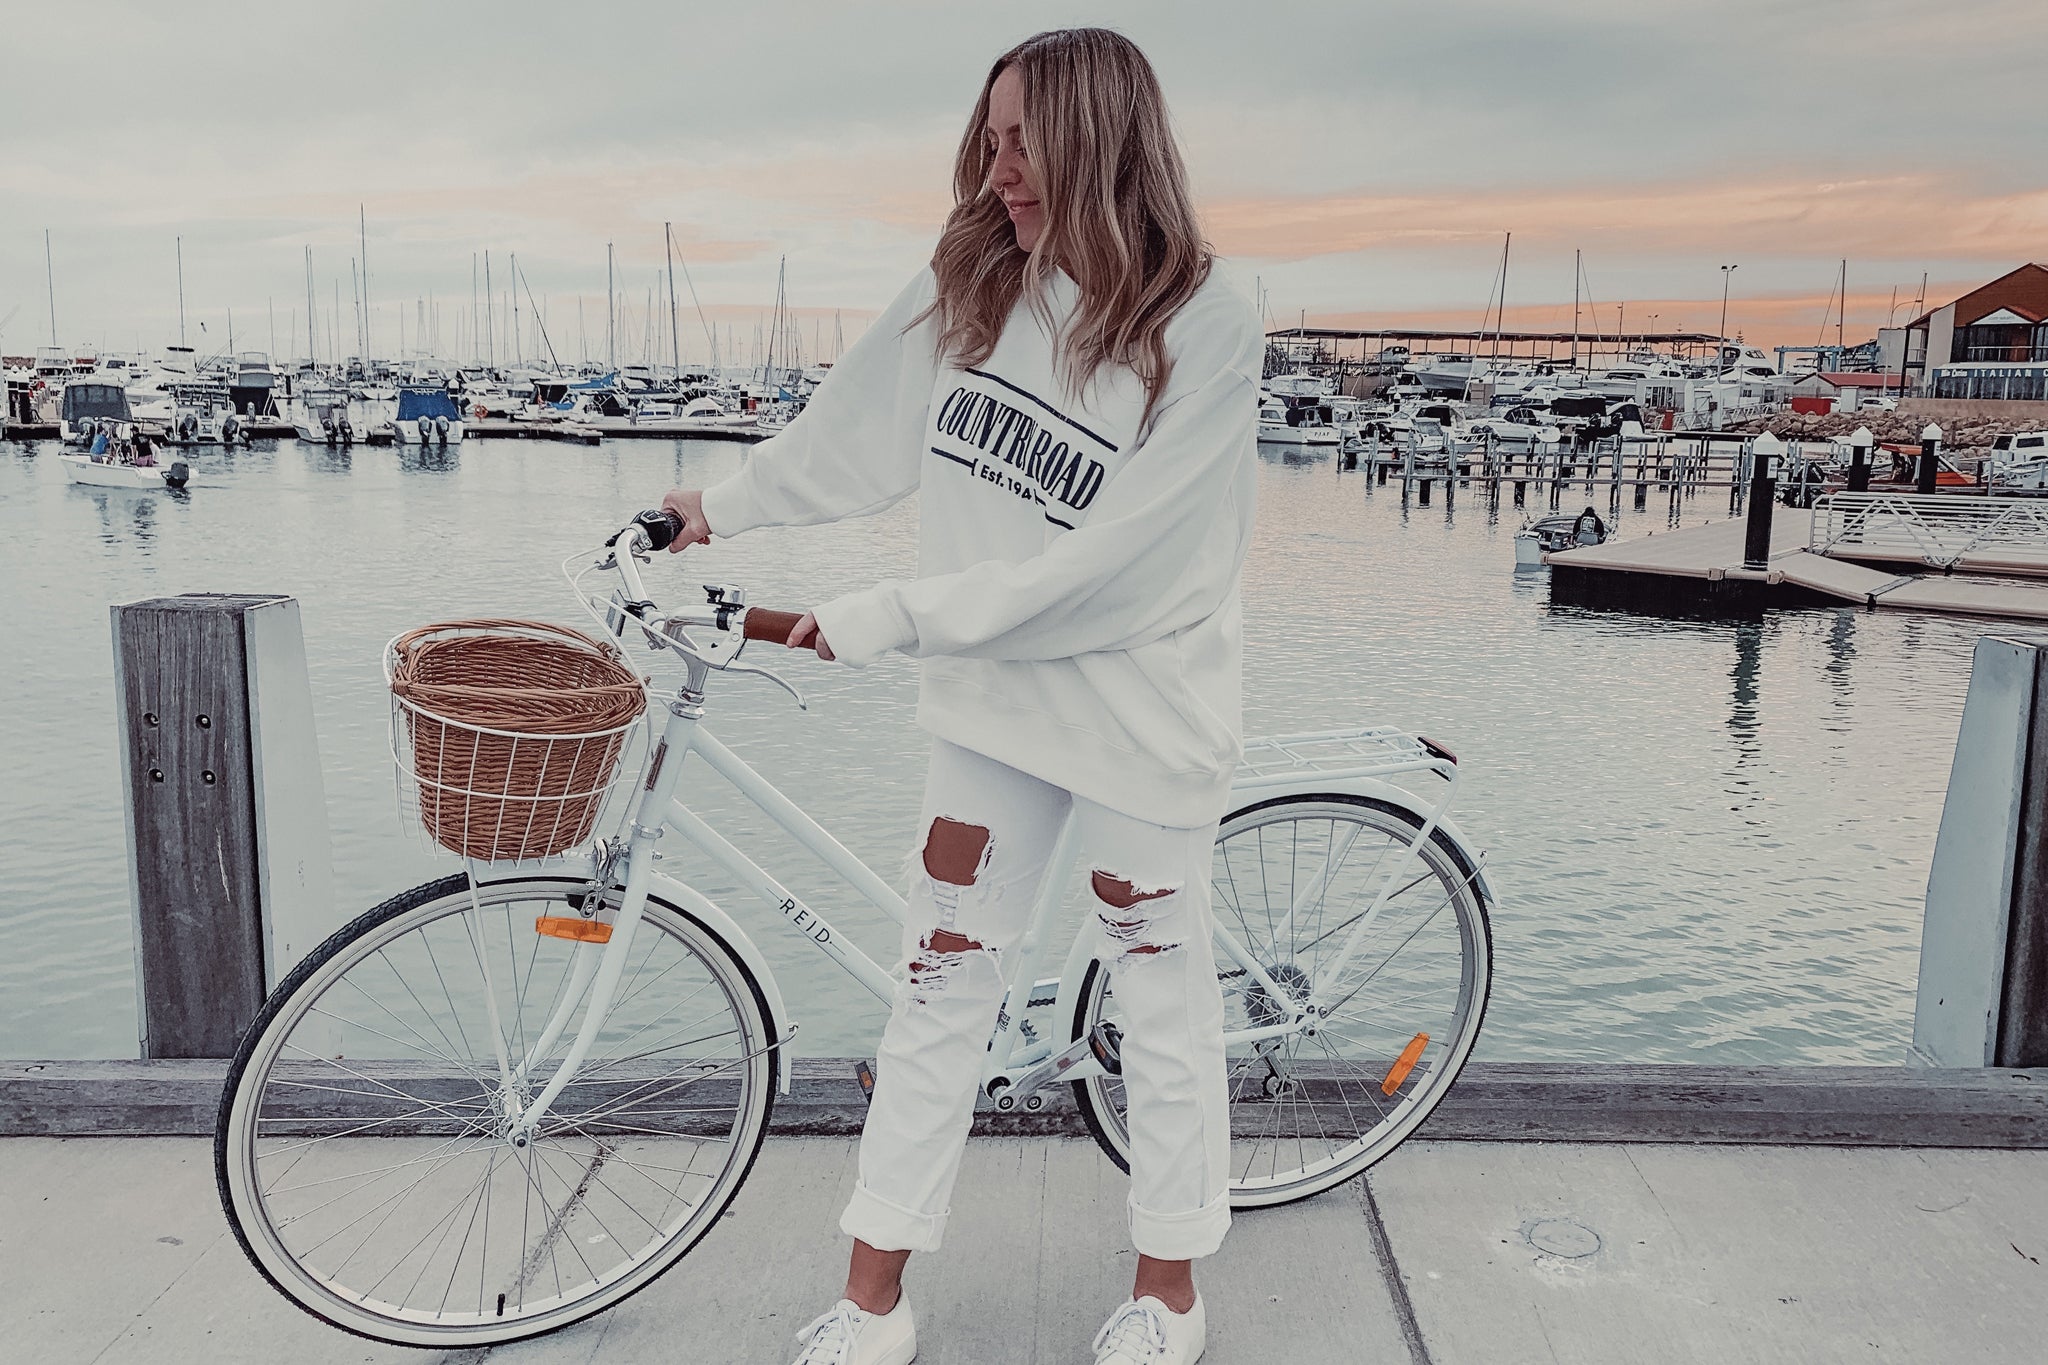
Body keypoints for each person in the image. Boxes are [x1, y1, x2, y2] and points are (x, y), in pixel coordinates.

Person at [660, 28, 1258, 1365]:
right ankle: (873, 1302)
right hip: (994, 701)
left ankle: (1169, 1292)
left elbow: (1123, 569)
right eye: (988, 141)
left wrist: (884, 617)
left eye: (1023, 139)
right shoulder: (973, 285)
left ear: (1103, 138)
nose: (998, 172)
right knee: (939, 982)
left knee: (1155, 989)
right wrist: (717, 507)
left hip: (1140, 709)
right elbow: (854, 431)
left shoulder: (1208, 321)